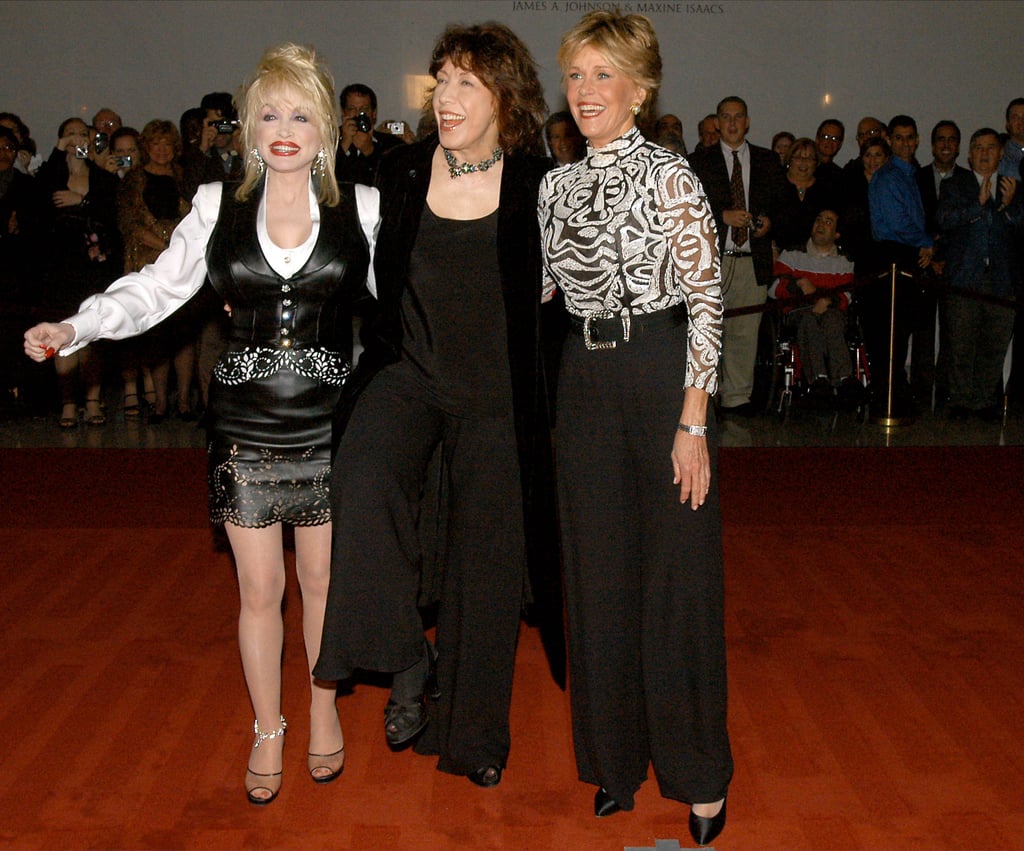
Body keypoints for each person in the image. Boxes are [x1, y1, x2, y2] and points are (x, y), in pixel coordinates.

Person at [25, 43, 380, 806]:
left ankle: (321, 705)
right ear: (248, 127)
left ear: (324, 125)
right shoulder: (218, 205)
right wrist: (77, 326)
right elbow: (154, 289)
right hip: (247, 423)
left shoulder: (367, 206)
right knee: (259, 589)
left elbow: (422, 300)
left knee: (321, 582)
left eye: (299, 114)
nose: (283, 128)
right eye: (267, 114)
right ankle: (267, 725)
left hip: (332, 423)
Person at [314, 21, 556, 790]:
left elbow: (572, 281)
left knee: (487, 562)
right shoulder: (401, 170)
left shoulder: (536, 184)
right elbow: (342, 248)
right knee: (361, 470)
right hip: (410, 368)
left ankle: (475, 736)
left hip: (496, 393)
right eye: (441, 80)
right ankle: (410, 657)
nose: (446, 97)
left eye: (467, 84)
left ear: (505, 98)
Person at [538, 10, 731, 846]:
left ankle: (699, 774)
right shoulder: (554, 185)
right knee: (599, 576)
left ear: (640, 88)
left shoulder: (671, 174)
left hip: (660, 377)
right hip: (583, 381)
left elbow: (709, 300)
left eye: (602, 75)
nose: (585, 91)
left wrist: (693, 420)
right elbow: (539, 294)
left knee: (678, 581)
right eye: (575, 75)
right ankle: (615, 761)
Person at [688, 95, 789, 417]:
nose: (732, 123)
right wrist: (722, 217)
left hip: (751, 259)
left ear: (747, 122)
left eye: (738, 116)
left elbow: (783, 206)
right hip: (711, 262)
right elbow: (688, 210)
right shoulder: (699, 161)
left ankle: (736, 400)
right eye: (726, 117)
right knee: (707, 333)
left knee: (745, 334)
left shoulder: (767, 160)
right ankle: (704, 400)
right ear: (717, 122)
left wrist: (769, 222)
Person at [34, 116, 122, 427]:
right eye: (69, 133)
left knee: (92, 333)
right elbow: (37, 201)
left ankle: (93, 401)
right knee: (62, 333)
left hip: (94, 269)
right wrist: (60, 150)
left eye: (82, 133)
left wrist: (81, 202)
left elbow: (112, 217)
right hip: (58, 269)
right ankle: (68, 403)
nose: (76, 138)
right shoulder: (51, 175)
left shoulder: (102, 178)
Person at [936, 128, 1022, 419]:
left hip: (1001, 280)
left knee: (994, 344)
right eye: (979, 148)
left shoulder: (1012, 186)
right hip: (964, 279)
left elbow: (1021, 226)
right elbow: (944, 220)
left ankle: (985, 401)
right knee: (961, 345)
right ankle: (960, 401)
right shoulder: (955, 185)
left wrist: (1009, 208)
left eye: (991, 148)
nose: (985, 153)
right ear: (970, 155)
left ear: (1001, 154)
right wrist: (978, 205)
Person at [770, 209, 860, 403]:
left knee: (832, 319)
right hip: (798, 311)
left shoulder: (844, 261)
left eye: (828, 222)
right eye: (818, 220)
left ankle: (845, 378)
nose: (820, 225)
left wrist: (826, 300)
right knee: (809, 319)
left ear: (837, 233)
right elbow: (774, 287)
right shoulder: (793, 253)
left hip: (831, 310)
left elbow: (847, 294)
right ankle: (818, 380)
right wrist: (800, 283)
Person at [334, 83, 405, 185]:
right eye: (352, 109)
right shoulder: (327, 141)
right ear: (343, 112)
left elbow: (394, 182)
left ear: (374, 113)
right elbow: (322, 179)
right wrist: (343, 145)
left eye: (364, 109)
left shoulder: (392, 145)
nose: (358, 115)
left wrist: (369, 151)